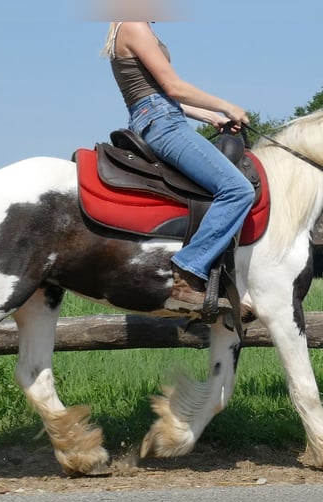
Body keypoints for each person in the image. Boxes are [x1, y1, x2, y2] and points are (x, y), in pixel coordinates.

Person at [104, 21, 255, 313]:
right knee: (238, 189)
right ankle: (188, 273)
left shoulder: (130, 26)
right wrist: (228, 106)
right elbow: (173, 86)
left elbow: (163, 94)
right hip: (163, 123)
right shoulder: (134, 25)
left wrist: (211, 117)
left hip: (160, 116)